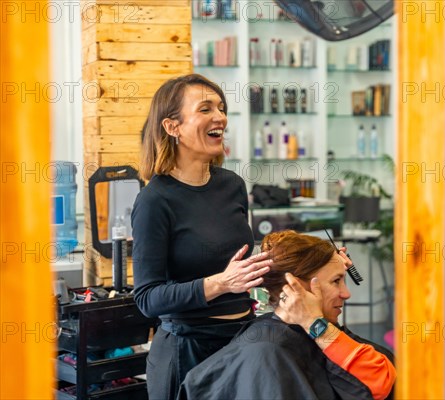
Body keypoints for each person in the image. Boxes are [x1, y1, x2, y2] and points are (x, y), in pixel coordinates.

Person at [132, 73, 272, 400]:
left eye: (221, 108)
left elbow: (239, 266)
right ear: (172, 127)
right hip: (187, 353)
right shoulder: (155, 200)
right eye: (205, 109)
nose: (220, 117)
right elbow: (147, 298)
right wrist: (220, 284)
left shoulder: (233, 185)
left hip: (242, 342)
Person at [179, 230, 396, 400]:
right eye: (336, 281)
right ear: (296, 285)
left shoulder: (319, 328)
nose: (346, 294)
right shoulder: (266, 351)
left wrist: (314, 322)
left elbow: (380, 379)